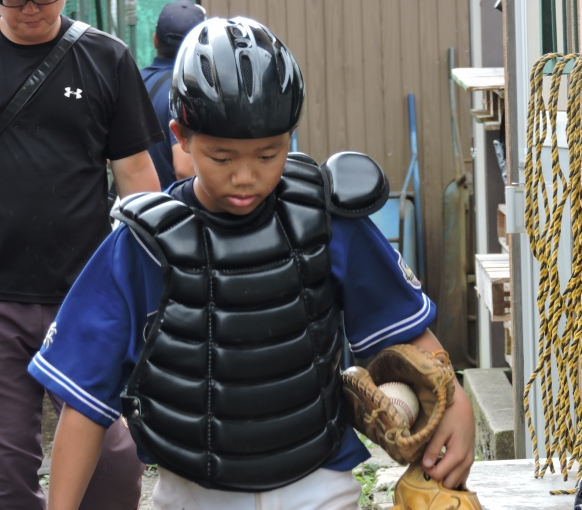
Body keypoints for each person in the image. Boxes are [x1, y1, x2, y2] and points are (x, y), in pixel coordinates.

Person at [29, 17, 476, 510]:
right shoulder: (142, 245)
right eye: (222, 157)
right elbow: (84, 399)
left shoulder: (325, 220)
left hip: (319, 488)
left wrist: (456, 403)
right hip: (193, 495)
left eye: (268, 154)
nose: (245, 177)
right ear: (181, 136)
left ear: (290, 134)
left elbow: (404, 334)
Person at [0, 0, 165, 508]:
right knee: (6, 469)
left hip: (85, 298)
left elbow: (135, 173)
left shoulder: (105, 57)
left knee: (114, 460)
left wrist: (158, 271)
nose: (30, 9)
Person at [141, 0, 205, 190]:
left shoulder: (133, 80)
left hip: (135, 204)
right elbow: (185, 170)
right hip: (172, 205)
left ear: (155, 40)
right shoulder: (188, 89)